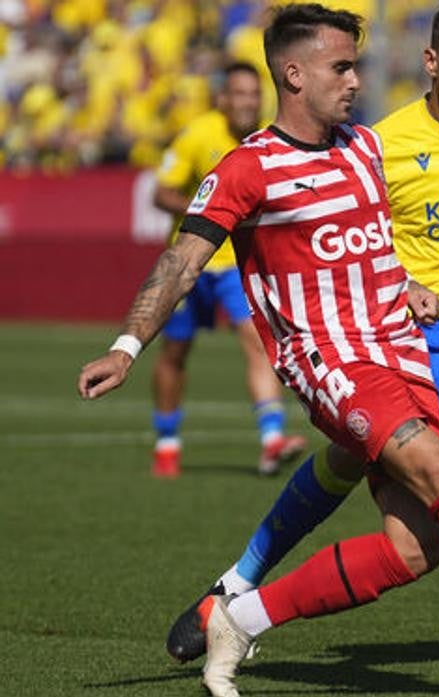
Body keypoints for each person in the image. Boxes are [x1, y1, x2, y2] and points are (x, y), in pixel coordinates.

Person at [78, 5, 439, 696]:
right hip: (334, 365)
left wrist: (406, 283)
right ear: (294, 74)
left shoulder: (361, 149)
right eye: (341, 67)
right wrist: (126, 346)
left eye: (355, 65)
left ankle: (241, 616)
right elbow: (181, 262)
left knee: (416, 551)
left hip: (403, 352)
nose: (356, 80)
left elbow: (368, 245)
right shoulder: (248, 168)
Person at [150, 61, 306, 478]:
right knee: (174, 354)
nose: (247, 102)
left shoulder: (268, 140)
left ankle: (272, 438)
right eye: (239, 94)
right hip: (192, 262)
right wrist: (211, 211)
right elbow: (161, 193)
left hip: (237, 264)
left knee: (255, 341)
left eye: (254, 95)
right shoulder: (197, 135)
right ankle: (166, 443)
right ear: (223, 99)